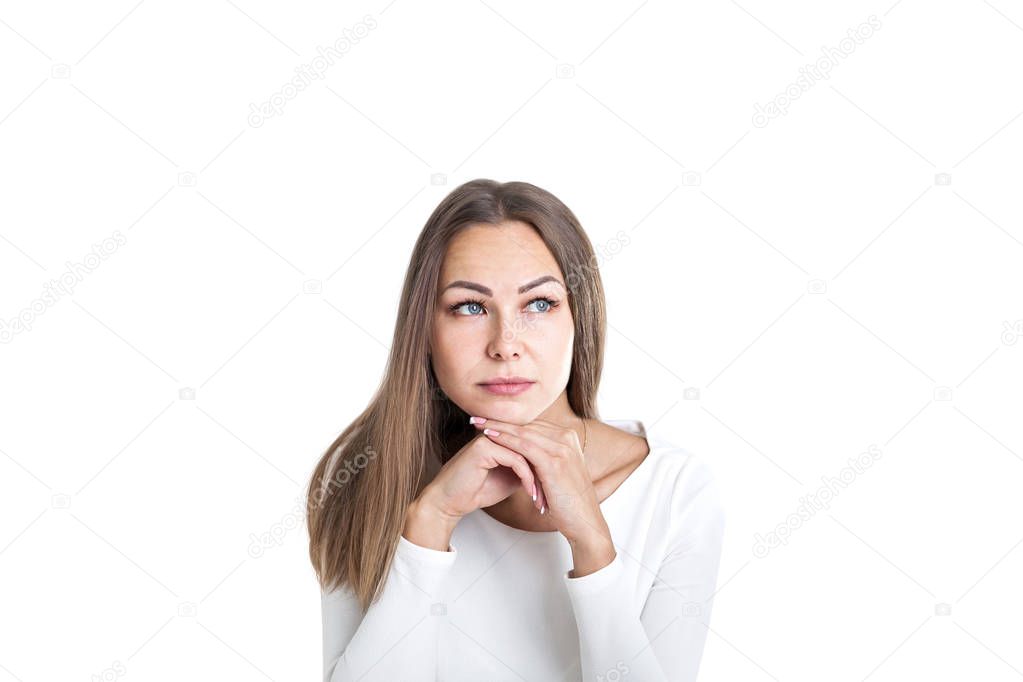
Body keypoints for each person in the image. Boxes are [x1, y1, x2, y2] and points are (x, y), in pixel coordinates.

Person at [307, 179, 726, 681]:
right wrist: (430, 522)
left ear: (580, 319)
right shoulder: (365, 473)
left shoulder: (676, 491)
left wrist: (593, 544)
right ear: (424, 330)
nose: (506, 343)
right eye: (470, 307)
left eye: (540, 304)